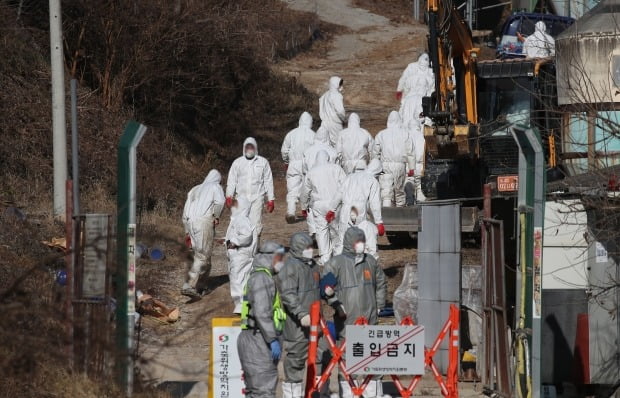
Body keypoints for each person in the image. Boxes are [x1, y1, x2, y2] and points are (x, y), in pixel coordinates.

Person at [323, 227, 388, 398]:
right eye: (358, 242)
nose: (361, 245)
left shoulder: (370, 262)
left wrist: (379, 304)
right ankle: (348, 393)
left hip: (370, 320)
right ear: (350, 243)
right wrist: (337, 305)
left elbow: (381, 282)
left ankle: (372, 393)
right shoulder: (336, 263)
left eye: (362, 241)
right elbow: (325, 288)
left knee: (373, 359)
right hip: (347, 322)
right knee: (346, 359)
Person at [277, 232, 323, 398]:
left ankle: (316, 392)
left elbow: (321, 287)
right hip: (297, 325)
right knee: (295, 361)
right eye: (307, 247)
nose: (310, 250)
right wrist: (302, 314)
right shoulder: (289, 268)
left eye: (311, 247)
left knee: (319, 357)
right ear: (298, 248)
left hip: (316, 322)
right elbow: (288, 295)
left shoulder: (313, 265)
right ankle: (292, 394)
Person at [238, 241, 287, 398]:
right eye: (279, 257)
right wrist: (272, 339)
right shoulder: (261, 278)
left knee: (256, 392)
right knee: (263, 391)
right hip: (259, 340)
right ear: (269, 257)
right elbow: (261, 311)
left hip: (257, 338)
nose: (282, 261)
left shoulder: (262, 277)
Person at [181, 169, 225, 297]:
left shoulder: (194, 189)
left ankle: (202, 285)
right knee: (202, 256)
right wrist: (216, 216)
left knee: (203, 255)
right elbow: (220, 202)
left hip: (190, 222)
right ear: (218, 179)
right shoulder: (215, 186)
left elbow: (185, 212)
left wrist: (187, 232)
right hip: (203, 222)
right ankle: (189, 284)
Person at [329, 159, 385, 255]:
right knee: (364, 238)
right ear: (377, 172)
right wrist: (379, 222)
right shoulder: (372, 181)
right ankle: (366, 263)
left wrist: (332, 209)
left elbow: (339, 194)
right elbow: (375, 203)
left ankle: (338, 264)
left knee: (343, 239)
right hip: (359, 210)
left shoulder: (350, 177)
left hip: (345, 209)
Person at [300, 151, 346, 265]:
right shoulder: (337, 168)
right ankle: (338, 253)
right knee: (336, 229)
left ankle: (325, 256)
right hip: (335, 204)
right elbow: (345, 185)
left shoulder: (311, 172)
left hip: (318, 205)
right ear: (328, 158)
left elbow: (305, 192)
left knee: (321, 230)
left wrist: (304, 206)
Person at [226, 137, 275, 237]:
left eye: (251, 147)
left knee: (256, 225)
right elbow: (231, 181)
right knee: (239, 224)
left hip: (257, 198)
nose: (249, 149)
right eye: (247, 147)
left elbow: (268, 181)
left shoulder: (263, 162)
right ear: (244, 148)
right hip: (241, 199)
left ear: (255, 148)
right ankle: (241, 250)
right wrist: (229, 196)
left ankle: (254, 249)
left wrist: (271, 199)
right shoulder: (237, 163)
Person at [225, 197, 258, 314]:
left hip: (240, 254)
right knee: (244, 279)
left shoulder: (241, 219)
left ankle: (240, 306)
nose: (233, 207)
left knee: (236, 279)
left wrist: (234, 242)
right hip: (243, 254)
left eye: (236, 205)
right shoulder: (239, 219)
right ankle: (246, 305)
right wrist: (226, 240)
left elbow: (246, 235)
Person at [302, 128, 337, 238]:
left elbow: (304, 169)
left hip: (311, 179)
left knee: (312, 206)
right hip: (329, 183)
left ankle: (313, 229)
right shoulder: (332, 151)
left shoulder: (307, 151)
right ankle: (330, 232)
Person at [373, 111, 413, 207]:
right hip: (400, 165)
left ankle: (387, 217)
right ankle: (400, 215)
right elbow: (410, 152)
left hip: (385, 165)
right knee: (399, 191)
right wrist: (412, 167)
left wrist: (374, 167)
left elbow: (375, 153)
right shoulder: (405, 134)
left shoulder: (381, 134)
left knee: (386, 192)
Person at [282, 112, 316, 224]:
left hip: (293, 164)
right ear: (310, 122)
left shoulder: (291, 134)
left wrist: (286, 162)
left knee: (292, 189)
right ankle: (308, 211)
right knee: (308, 189)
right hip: (308, 165)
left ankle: (291, 211)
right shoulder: (313, 134)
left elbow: (284, 150)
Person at [396, 53, 435, 128]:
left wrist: (402, 98)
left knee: (406, 121)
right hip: (422, 100)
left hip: (409, 100)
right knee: (421, 121)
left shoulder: (411, 77)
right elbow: (432, 91)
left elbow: (405, 86)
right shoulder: (429, 77)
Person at [403, 119, 427, 205]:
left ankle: (410, 198)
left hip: (409, 165)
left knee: (409, 180)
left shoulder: (405, 136)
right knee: (419, 185)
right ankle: (420, 201)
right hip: (420, 164)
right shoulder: (423, 136)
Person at [319, 76, 346, 147]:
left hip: (325, 123)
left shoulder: (325, 95)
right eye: (339, 84)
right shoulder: (337, 95)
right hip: (335, 123)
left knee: (325, 143)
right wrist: (343, 119)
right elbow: (340, 111)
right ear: (336, 84)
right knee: (337, 144)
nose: (341, 86)